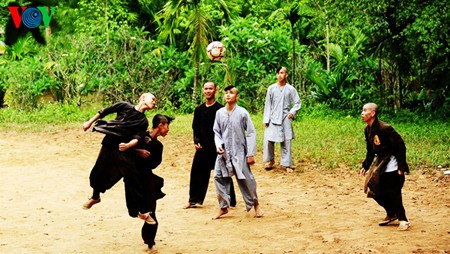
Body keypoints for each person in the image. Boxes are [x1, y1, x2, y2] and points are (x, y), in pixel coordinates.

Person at [82, 93, 157, 210]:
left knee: (127, 174)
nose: (154, 102)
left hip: (124, 150)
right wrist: (89, 122)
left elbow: (138, 137)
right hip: (109, 144)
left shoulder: (143, 121)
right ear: (143, 98)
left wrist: (128, 146)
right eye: (153, 99)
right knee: (98, 173)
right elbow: (105, 111)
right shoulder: (125, 106)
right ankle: (95, 197)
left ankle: (140, 210)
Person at [120, 114, 174, 253]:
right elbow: (124, 150)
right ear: (161, 125)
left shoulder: (158, 145)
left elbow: (154, 163)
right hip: (132, 178)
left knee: (151, 212)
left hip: (147, 179)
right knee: (133, 211)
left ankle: (150, 242)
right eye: (167, 126)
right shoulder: (139, 135)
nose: (168, 129)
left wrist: (150, 146)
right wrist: (138, 151)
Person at [212, 85, 263, 220]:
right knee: (218, 177)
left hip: (239, 152)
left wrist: (250, 154)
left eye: (231, 93)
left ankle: (256, 204)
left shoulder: (242, 113)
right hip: (223, 153)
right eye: (226, 93)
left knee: (247, 179)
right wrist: (218, 145)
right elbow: (216, 132)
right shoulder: (219, 113)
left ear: (237, 96)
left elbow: (251, 133)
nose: (228, 95)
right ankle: (223, 207)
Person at [184, 81, 236, 209]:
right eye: (206, 88)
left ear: (215, 90)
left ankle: (230, 200)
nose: (208, 91)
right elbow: (195, 128)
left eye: (210, 89)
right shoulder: (199, 109)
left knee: (224, 174)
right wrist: (196, 141)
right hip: (202, 148)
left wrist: (223, 146)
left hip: (218, 148)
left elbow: (225, 130)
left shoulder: (220, 110)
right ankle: (193, 200)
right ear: (203, 90)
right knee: (196, 173)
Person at [359, 103, 410, 231]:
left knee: (393, 191)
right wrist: (366, 165)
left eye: (365, 111)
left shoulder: (385, 128)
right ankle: (391, 213)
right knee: (373, 188)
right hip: (381, 162)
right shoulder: (368, 129)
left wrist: (401, 166)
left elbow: (400, 146)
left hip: (392, 161)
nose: (362, 113)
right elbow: (370, 150)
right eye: (362, 111)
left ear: (373, 114)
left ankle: (403, 219)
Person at [263, 66, 301, 173]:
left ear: (286, 75)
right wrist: (266, 119)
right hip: (272, 117)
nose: (280, 75)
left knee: (286, 140)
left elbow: (297, 103)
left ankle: (286, 164)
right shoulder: (271, 88)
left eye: (282, 73)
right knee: (269, 140)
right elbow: (268, 104)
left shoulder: (290, 89)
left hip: (285, 117)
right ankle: (270, 160)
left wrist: (292, 112)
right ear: (276, 75)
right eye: (278, 73)